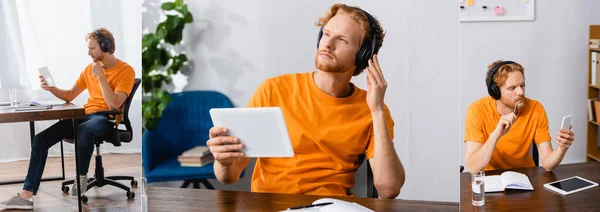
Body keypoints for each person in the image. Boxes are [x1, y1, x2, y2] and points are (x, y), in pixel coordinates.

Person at [207, 4, 405, 199]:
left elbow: (388, 189)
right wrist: (223, 162)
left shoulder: (371, 108)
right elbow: (229, 177)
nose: (328, 44)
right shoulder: (273, 91)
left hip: (331, 205)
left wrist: (377, 110)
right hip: (272, 205)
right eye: (326, 34)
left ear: (362, 56)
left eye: (342, 40)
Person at [0, 28, 135, 209]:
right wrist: (51, 88)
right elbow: (71, 94)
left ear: (106, 46)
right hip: (85, 114)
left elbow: (114, 104)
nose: (88, 53)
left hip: (106, 119)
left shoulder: (125, 70)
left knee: (84, 130)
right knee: (41, 139)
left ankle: (81, 178)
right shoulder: (90, 69)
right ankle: (26, 195)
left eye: (92, 48)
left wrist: (101, 77)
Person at [464, 60, 575, 172]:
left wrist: (562, 147)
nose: (521, 92)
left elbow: (547, 164)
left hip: (524, 176)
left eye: (522, 85)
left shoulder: (536, 109)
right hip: (490, 178)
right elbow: (473, 167)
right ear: (495, 92)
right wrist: (496, 134)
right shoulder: (477, 110)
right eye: (512, 88)